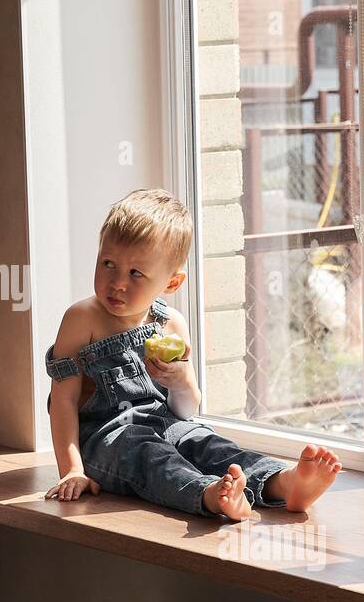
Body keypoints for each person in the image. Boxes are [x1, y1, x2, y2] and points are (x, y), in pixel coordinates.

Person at [43, 188, 341, 519]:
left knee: (207, 442)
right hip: (106, 441)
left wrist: (182, 382)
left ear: (172, 283)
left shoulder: (170, 324)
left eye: (135, 273)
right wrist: (72, 469)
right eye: (108, 263)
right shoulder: (82, 319)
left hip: (166, 423)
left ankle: (282, 484)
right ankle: (210, 494)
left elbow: (184, 411)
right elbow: (63, 401)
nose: (117, 283)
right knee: (151, 456)